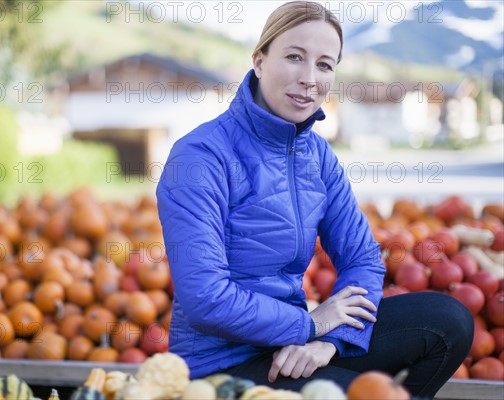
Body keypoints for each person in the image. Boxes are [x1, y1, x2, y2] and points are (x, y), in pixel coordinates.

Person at [156, 2, 473, 398]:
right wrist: (308, 325)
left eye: (325, 65)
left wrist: (330, 339)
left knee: (448, 321)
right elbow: (205, 298)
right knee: (363, 395)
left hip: (297, 342)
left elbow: (361, 258)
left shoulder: (317, 156)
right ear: (259, 60)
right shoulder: (200, 157)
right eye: (294, 57)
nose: (309, 78)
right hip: (222, 363)